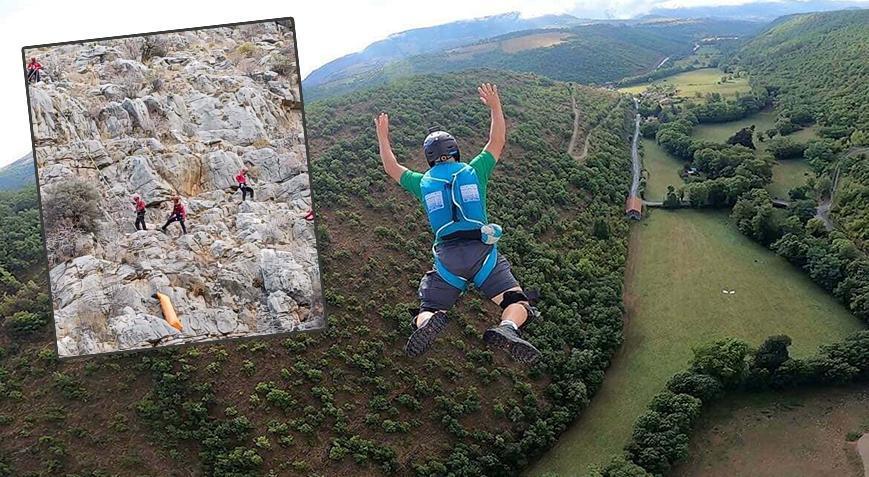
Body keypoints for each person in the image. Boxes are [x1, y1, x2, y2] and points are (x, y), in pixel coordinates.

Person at [374, 83, 541, 364]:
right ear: (456, 151)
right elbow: (496, 141)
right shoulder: (474, 170)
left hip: (448, 261)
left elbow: (392, 168)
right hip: (482, 253)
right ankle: (508, 328)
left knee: (428, 307)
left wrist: (382, 136)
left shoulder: (423, 182)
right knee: (516, 301)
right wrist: (495, 106)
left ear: (428, 158)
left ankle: (427, 322)